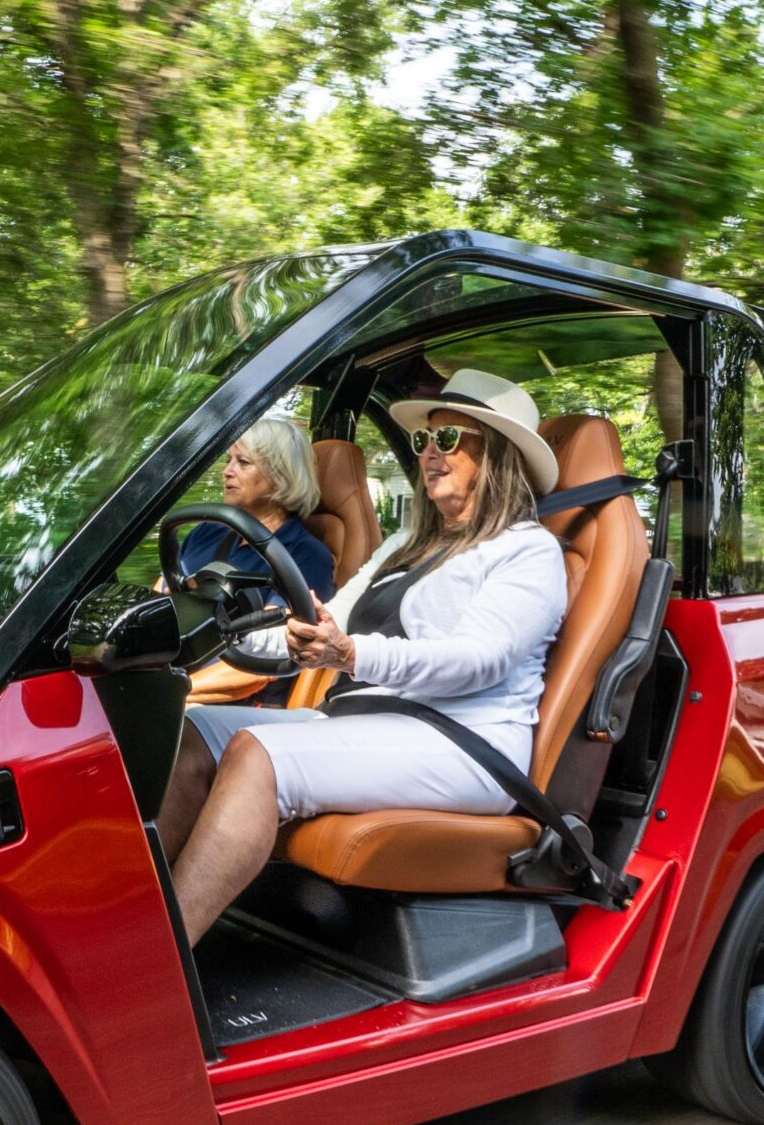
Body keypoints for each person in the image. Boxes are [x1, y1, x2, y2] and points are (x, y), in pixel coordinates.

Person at [155, 369, 570, 947]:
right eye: (424, 441)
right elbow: (323, 625)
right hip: (370, 721)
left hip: (465, 743)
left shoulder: (529, 551)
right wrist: (214, 636)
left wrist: (350, 654)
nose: (428, 453)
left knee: (257, 752)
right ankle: (135, 924)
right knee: (195, 731)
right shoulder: (408, 545)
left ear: (496, 454)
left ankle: (162, 962)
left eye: (448, 440)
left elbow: (479, 660)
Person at [175, 415, 338, 608]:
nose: (226, 471)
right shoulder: (205, 532)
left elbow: (276, 634)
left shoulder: (307, 556)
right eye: (228, 460)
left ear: (281, 475)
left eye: (243, 462)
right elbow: (160, 594)